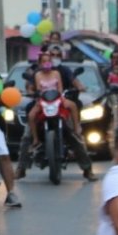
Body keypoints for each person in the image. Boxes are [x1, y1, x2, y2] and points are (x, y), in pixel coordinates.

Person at [24, 48, 95, 182]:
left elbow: (70, 85)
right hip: (43, 103)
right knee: (27, 131)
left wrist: (75, 89)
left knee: (75, 137)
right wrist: (32, 92)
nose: (48, 62)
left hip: (58, 102)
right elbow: (31, 87)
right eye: (45, 60)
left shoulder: (61, 71)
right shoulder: (36, 73)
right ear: (40, 62)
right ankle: (21, 168)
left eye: (52, 58)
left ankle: (87, 169)